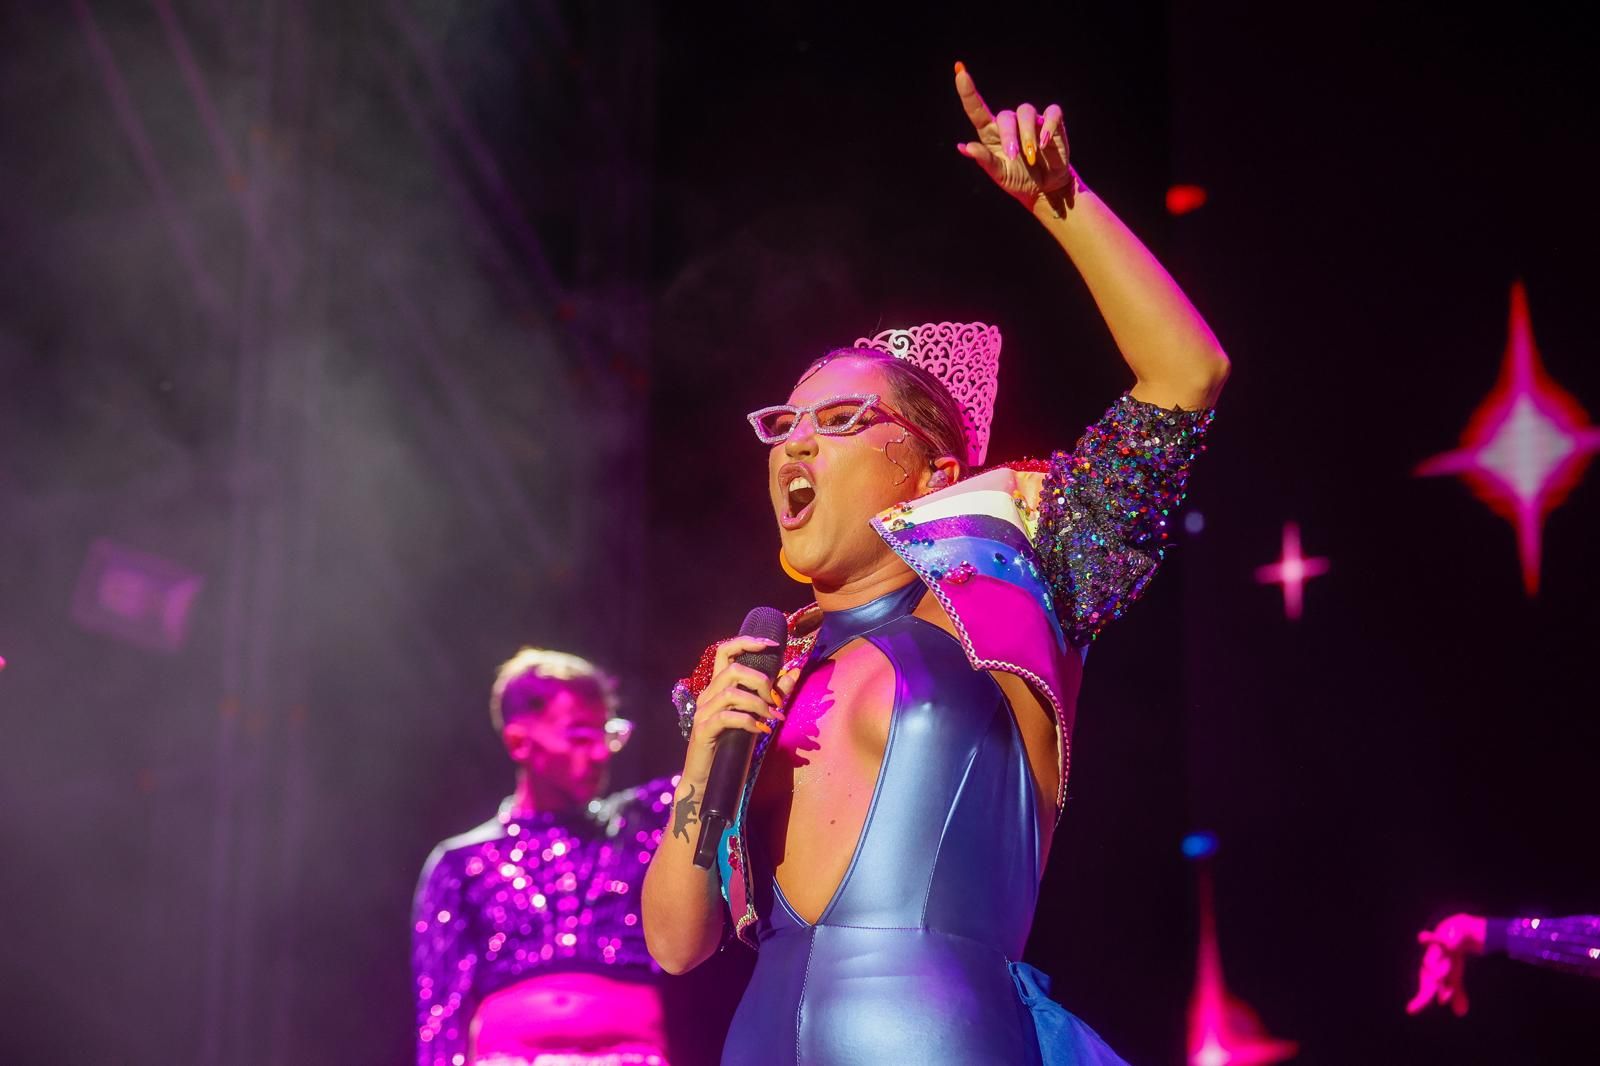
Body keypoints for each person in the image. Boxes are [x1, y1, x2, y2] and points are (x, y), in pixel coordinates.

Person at [641, 63, 1229, 1065]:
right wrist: (708, 753)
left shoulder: (1016, 579)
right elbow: (676, 941)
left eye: (838, 421)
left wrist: (1060, 202)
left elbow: (1186, 373)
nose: (794, 446)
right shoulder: (752, 671)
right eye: (784, 425)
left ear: (935, 470)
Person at [412, 648, 676, 1066]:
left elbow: (711, 778)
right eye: (579, 736)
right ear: (520, 742)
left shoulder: (638, 826)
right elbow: (441, 1021)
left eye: (606, 734)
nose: (600, 753)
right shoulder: (460, 863)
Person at [1407, 912, 1600, 1016]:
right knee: (1560, 946)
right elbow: (1461, 1009)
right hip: (1512, 940)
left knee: (1560, 937)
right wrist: (1453, 990)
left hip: (1511, 934)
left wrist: (1432, 940)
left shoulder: (1450, 930)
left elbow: (1451, 941)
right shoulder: (1451, 961)